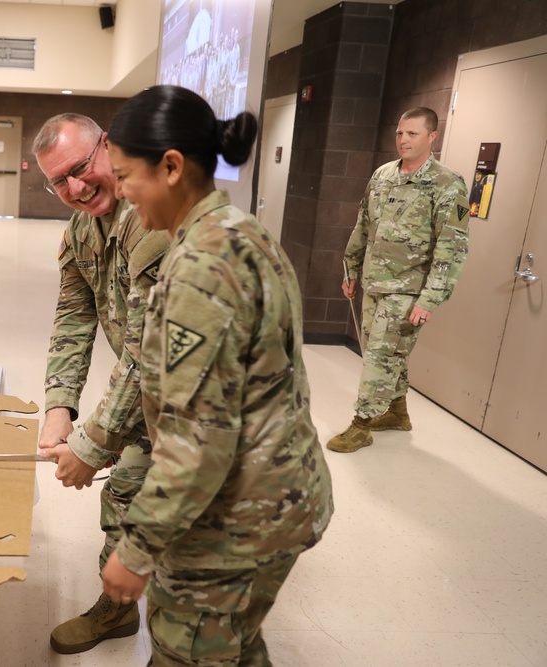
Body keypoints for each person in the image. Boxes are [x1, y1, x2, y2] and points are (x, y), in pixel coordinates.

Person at [100, 85, 334, 666]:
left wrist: (136, 549)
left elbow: (198, 442)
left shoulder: (201, 267)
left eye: (127, 176)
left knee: (189, 651)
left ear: (172, 167)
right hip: (280, 494)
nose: (124, 195)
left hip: (235, 520)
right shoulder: (241, 230)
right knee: (234, 645)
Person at [33, 113, 169, 655]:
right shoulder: (82, 228)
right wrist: (59, 407)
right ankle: (118, 612)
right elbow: (74, 315)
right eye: (58, 181)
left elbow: (147, 351)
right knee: (125, 494)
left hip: (221, 409)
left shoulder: (154, 218)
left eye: (81, 168)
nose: (75, 187)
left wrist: (92, 443)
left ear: (108, 147)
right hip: (158, 397)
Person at [327, 107, 470, 453]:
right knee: (387, 354)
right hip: (375, 283)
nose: (403, 140)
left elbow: (452, 247)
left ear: (432, 137)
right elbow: (363, 225)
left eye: (412, 134)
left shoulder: (447, 184)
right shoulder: (383, 175)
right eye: (400, 133)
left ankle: (361, 425)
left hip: (408, 290)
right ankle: (397, 411)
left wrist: (429, 299)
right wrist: (351, 269)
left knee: (380, 355)